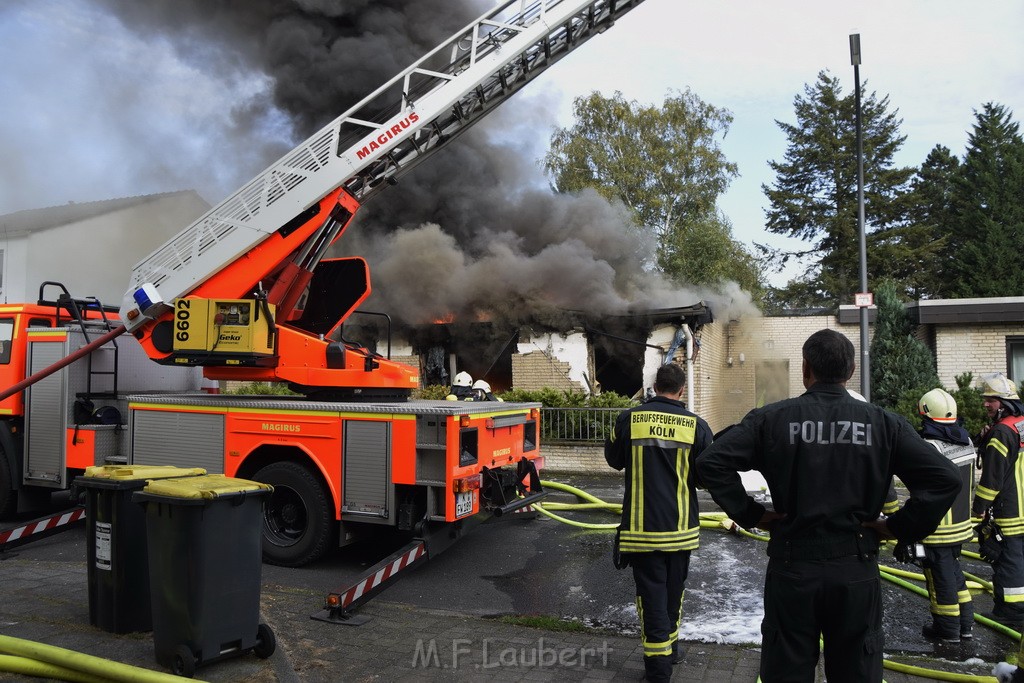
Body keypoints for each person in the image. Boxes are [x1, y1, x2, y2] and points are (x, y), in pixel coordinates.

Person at [695, 329, 961, 683]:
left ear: (805, 369)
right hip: (855, 569)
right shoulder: (884, 424)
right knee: (856, 671)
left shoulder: (771, 419)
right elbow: (946, 480)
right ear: (851, 370)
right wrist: (897, 527)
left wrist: (752, 515)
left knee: (786, 670)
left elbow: (710, 463)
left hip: (792, 569)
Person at [604, 363, 712, 683]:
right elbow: (707, 476)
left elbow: (613, 460)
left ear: (654, 385)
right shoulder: (697, 426)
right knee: (673, 593)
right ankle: (672, 650)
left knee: (650, 599)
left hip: (641, 531)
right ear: (681, 390)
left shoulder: (629, 419)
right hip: (681, 531)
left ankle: (658, 670)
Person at [916, 388, 976, 643]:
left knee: (940, 581)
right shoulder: (966, 440)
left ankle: (947, 629)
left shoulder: (930, 446)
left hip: (938, 527)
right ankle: (966, 625)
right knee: (954, 574)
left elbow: (922, 486)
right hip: (961, 525)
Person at [972, 373, 1024, 629]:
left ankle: (1011, 610)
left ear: (1004, 403)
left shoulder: (1002, 433)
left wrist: (978, 510)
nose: (985, 405)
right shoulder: (1019, 425)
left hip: (1012, 510)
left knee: (1010, 559)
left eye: (990, 400)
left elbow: (991, 481)